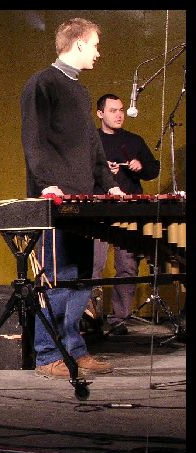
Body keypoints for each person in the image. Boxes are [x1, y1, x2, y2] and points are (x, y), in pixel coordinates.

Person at [20, 18, 125, 378]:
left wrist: (108, 184)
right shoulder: (42, 83)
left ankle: (74, 350)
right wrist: (46, 183)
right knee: (58, 277)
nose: (98, 52)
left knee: (82, 278)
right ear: (79, 43)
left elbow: (93, 146)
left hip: (83, 200)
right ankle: (48, 355)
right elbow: (33, 138)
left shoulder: (80, 92)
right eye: (95, 44)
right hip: (55, 199)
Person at [91, 93, 160, 335]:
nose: (119, 114)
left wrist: (140, 167)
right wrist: (100, 170)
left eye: (121, 110)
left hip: (128, 211)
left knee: (128, 266)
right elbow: (78, 174)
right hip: (98, 210)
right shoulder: (91, 141)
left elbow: (153, 169)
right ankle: (92, 317)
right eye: (113, 110)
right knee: (94, 266)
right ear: (100, 113)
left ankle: (119, 318)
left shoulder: (133, 141)